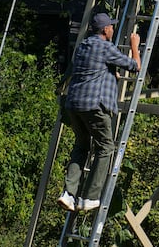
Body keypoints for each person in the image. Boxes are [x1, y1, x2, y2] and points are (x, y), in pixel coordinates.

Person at [57, 12, 141, 213]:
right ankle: (90, 197)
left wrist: (112, 73)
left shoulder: (83, 47)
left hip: (73, 104)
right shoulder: (105, 47)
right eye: (111, 26)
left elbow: (92, 70)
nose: (112, 28)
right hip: (93, 106)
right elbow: (135, 66)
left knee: (81, 146)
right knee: (105, 147)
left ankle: (69, 194)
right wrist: (134, 46)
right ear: (105, 30)